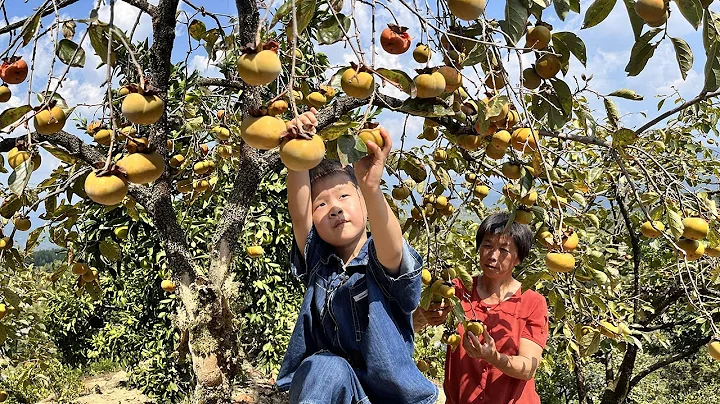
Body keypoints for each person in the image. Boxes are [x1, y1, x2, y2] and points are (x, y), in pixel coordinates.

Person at [276, 108, 438, 404]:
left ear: (364, 205)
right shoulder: (319, 263)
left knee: (326, 368)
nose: (335, 208)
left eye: (344, 196)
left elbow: (393, 248)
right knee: (325, 367)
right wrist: (297, 146)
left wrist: (371, 187)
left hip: (392, 399)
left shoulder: (381, 260)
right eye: (321, 204)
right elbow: (299, 216)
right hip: (332, 391)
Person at [414, 212, 549, 404]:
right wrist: (425, 314)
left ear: (518, 258)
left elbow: (528, 368)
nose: (493, 256)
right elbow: (410, 326)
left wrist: (494, 357)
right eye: (487, 245)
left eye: (504, 250)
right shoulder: (457, 291)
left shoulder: (532, 303)